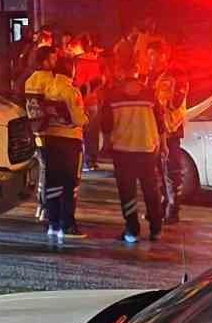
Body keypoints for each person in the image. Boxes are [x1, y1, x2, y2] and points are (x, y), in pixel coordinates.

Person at [99, 40, 165, 244]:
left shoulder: (112, 95)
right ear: (136, 70)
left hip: (123, 149)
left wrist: (107, 144)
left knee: (127, 191)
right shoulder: (150, 93)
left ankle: (132, 230)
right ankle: (156, 228)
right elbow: (160, 122)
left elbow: (106, 125)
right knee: (150, 189)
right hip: (147, 147)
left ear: (120, 70)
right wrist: (162, 145)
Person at [26, 52, 88, 248]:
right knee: (70, 183)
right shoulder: (71, 91)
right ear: (71, 69)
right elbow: (78, 119)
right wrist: (86, 117)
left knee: (52, 181)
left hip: (50, 138)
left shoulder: (47, 88)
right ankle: (68, 224)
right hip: (70, 140)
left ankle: (52, 222)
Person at [146, 41, 189, 224]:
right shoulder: (151, 75)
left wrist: (156, 103)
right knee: (157, 171)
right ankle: (161, 205)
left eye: (152, 55)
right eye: (148, 55)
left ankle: (173, 209)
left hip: (170, 130)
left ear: (163, 55)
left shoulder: (176, 74)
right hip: (154, 130)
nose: (149, 59)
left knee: (171, 171)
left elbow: (175, 102)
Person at [22, 45, 56, 220]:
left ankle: (41, 206)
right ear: (44, 61)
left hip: (34, 128)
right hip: (49, 128)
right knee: (49, 169)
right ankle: (46, 207)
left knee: (43, 167)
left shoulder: (30, 79)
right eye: (53, 59)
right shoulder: (50, 80)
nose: (55, 62)